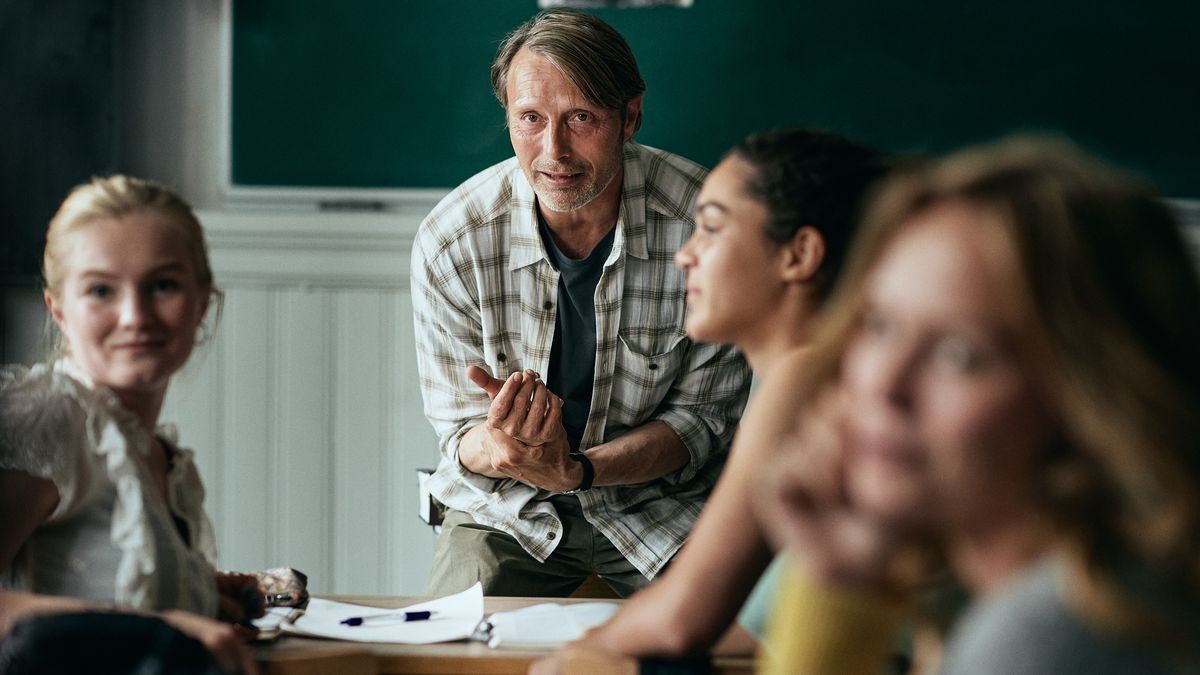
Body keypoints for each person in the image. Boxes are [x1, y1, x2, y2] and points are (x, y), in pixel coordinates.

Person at [756, 136, 1200, 674]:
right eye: (880, 324)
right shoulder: (1099, 585)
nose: (883, 385)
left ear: (1091, 392)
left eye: (961, 355)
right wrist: (843, 579)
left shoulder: (1049, 636)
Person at [412, 8, 751, 598]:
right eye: (530, 119)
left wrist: (578, 471)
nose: (554, 150)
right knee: (454, 649)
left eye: (582, 118)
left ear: (631, 117)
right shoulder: (452, 240)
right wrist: (503, 446)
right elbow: (457, 430)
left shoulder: (707, 228)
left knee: (718, 646)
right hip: (505, 510)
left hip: (664, 506)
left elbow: (700, 423)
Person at [528, 128, 886, 672]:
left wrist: (587, 653)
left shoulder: (803, 377)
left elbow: (682, 619)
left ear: (800, 255)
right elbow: (754, 625)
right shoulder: (805, 375)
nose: (686, 255)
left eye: (712, 229)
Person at [0, 175, 261, 674]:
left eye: (162, 285)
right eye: (101, 290)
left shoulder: (160, 457)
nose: (134, 316)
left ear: (202, 300)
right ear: (58, 309)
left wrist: (197, 594)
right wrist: (157, 631)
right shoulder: (44, 418)